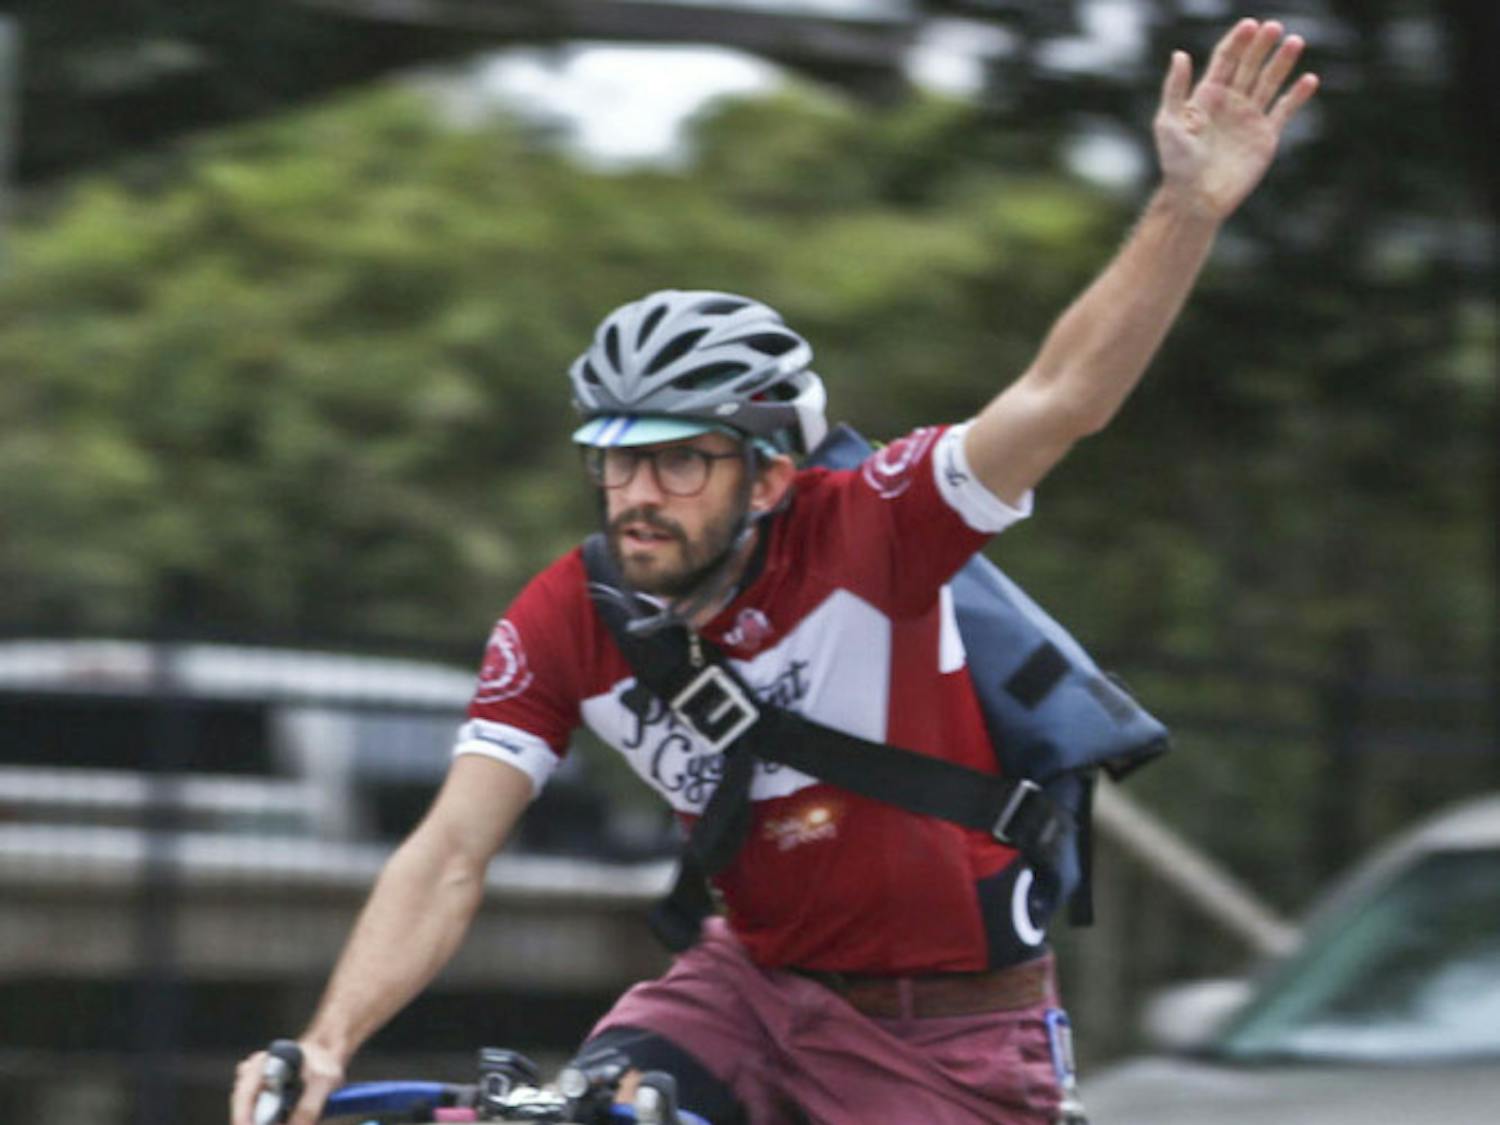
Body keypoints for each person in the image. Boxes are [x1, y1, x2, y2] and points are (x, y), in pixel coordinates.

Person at [231, 19, 1317, 1125]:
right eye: (614, 458)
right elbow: (452, 849)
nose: (635, 492)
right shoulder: (568, 614)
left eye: (678, 460)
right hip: (741, 991)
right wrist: (325, 1043)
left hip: (941, 1036)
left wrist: (1187, 207)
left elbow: (1062, 396)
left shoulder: (876, 529)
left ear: (767, 478)